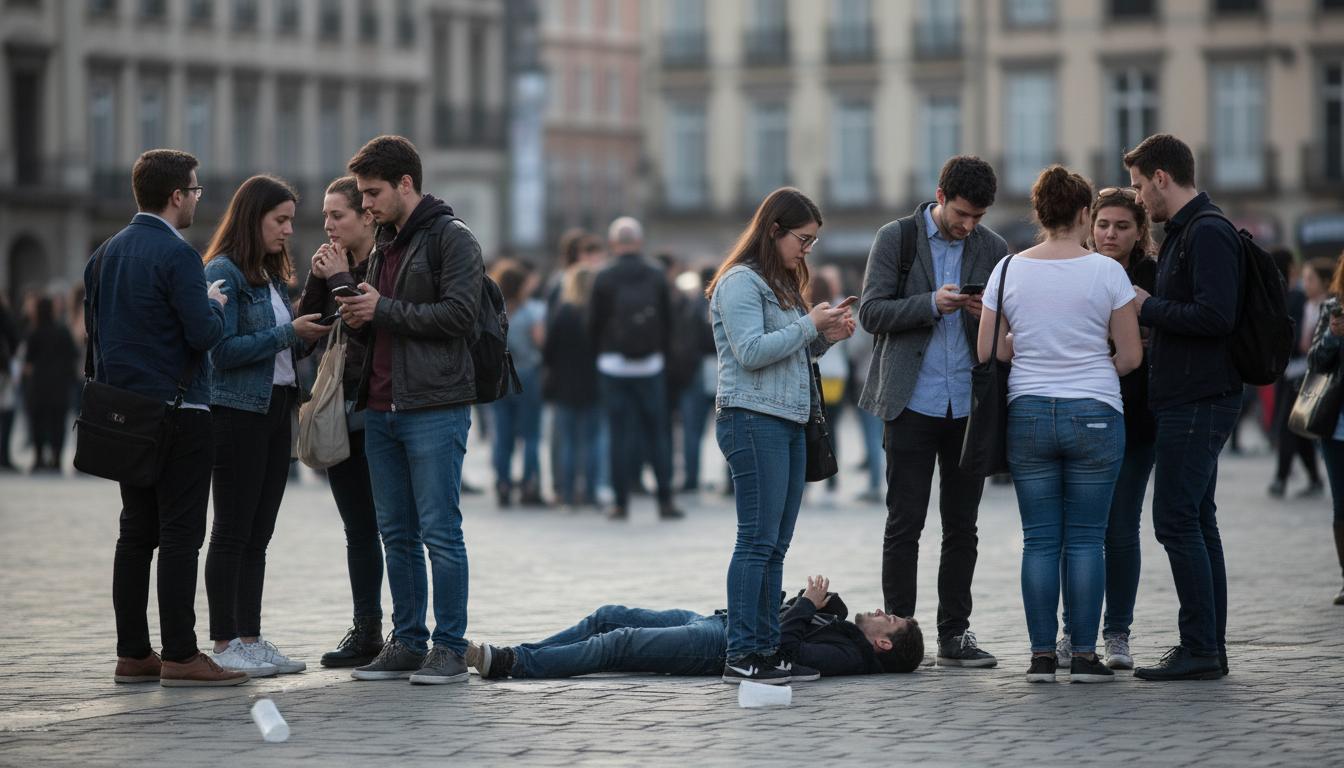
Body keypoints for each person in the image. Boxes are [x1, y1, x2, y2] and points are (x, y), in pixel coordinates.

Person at [978, 167, 1142, 683]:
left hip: (1028, 412)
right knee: (1088, 539)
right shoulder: (1108, 273)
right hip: (1094, 411)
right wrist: (1090, 369)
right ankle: (1088, 655)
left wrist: (1025, 349)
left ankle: (1042, 656)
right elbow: (1132, 356)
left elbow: (988, 350)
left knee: (1041, 540)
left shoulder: (1007, 270)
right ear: (1083, 214)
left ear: (1040, 214)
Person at [88, 149, 245, 686]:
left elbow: (98, 338)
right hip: (181, 409)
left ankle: (133, 652)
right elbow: (202, 335)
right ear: (177, 195)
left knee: (135, 533)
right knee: (181, 534)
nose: (198, 198)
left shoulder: (104, 253)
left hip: (123, 411)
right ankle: (180, 654)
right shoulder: (177, 256)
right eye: (195, 191)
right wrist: (215, 304)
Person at [337, 135, 483, 685]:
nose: (366, 205)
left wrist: (384, 308)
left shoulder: (453, 238)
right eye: (362, 195)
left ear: (405, 184)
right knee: (394, 533)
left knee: (440, 533)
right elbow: (383, 318)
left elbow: (461, 316)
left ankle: (448, 649)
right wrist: (356, 310)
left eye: (373, 193)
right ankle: (406, 641)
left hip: (433, 405)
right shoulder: (382, 245)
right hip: (379, 407)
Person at [857, 155, 1009, 668]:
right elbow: (871, 313)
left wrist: (981, 313)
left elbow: (1008, 328)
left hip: (969, 404)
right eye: (963, 214)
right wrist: (928, 304)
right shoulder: (895, 239)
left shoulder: (994, 249)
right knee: (905, 522)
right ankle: (900, 632)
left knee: (962, 526)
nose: (969, 226)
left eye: (978, 218)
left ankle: (954, 634)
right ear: (940, 196)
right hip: (910, 402)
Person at [707, 187, 855, 684]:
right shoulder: (741, 282)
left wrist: (824, 337)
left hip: (789, 419)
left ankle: (766, 650)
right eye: (803, 239)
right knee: (755, 541)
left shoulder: (782, 282)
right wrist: (808, 324)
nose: (806, 250)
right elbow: (750, 351)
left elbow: (790, 353)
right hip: (751, 418)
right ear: (774, 230)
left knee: (775, 546)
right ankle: (742, 653)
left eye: (813, 242)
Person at [1125, 133, 1242, 681]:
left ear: (1162, 179)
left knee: (1174, 519)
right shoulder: (1187, 232)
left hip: (1199, 398)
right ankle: (1208, 646)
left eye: (1138, 184)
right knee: (1197, 518)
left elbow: (1217, 317)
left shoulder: (1208, 231)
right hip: (1190, 396)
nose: (1137, 196)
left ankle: (1199, 645)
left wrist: (1152, 309)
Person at [202, 175, 326, 677]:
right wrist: (285, 332)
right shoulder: (223, 272)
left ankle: (250, 637)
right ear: (253, 219)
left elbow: (284, 348)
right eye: (280, 221)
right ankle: (225, 640)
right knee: (232, 528)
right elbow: (221, 352)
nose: (288, 230)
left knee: (260, 531)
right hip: (236, 412)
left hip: (277, 407)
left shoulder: (269, 277)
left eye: (291, 221)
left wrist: (311, 332)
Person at [1055, 186, 1159, 672]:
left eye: (1121, 226)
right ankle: (1071, 632)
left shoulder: (1153, 277)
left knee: (1120, 529)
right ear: (1089, 225)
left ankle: (1117, 631)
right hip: (1078, 414)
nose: (1110, 234)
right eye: (1103, 224)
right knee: (1074, 533)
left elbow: (1162, 341)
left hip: (1136, 417)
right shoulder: (1076, 268)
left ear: (1140, 232)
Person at [464, 575, 924, 680]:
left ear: (883, 643)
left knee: (616, 643)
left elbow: (786, 653)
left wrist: (805, 606)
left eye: (892, 618)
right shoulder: (847, 633)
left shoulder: (849, 657)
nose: (884, 610)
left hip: (716, 646)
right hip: (719, 622)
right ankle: (520, 652)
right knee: (606, 613)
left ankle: (511, 663)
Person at [299, 176, 386, 668]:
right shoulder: (330, 262)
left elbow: (367, 320)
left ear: (366, 217)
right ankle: (366, 628)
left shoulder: (386, 260)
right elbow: (308, 335)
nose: (327, 225)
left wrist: (337, 280)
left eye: (338, 215)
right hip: (341, 413)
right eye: (325, 216)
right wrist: (318, 280)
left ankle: (408, 631)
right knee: (357, 528)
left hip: (382, 409)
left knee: (395, 527)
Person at [588, 217, 682, 521]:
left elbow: (593, 323)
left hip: (613, 365)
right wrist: (663, 356)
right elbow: (669, 321)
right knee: (658, 434)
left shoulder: (604, 276)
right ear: (639, 242)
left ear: (614, 244)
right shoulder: (655, 274)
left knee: (619, 436)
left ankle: (620, 503)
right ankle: (665, 500)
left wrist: (599, 353)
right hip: (650, 365)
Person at [1269, 256, 1329, 498]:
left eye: (1310, 279)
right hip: (1295, 371)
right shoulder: (1306, 305)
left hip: (1313, 376)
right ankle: (1314, 478)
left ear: (1325, 282)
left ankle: (1281, 478)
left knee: (1289, 424)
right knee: (1298, 427)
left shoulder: (1329, 308)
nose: (1306, 284)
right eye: (1305, 278)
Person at [489, 258, 547, 507]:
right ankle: (529, 485)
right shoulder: (533, 311)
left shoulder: (492, 310)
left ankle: (502, 483)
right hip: (527, 374)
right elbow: (540, 342)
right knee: (531, 434)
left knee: (502, 435)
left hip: (499, 376)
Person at [542, 266, 602, 508]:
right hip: (593, 384)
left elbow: (548, 352)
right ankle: (589, 492)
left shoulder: (563, 313)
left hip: (564, 385)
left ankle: (566, 494)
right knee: (591, 441)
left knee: (567, 442)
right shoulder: (597, 314)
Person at [1308, 253, 1344, 606]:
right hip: (1337, 423)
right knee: (1342, 504)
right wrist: (1333, 336)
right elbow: (1316, 361)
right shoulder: (1334, 308)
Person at [21, 296, 77, 472]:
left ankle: (38, 459)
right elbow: (73, 355)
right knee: (58, 423)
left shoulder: (33, 332)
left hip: (38, 386)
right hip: (60, 385)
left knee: (38, 422)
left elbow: (28, 362)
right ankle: (57, 459)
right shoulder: (63, 331)